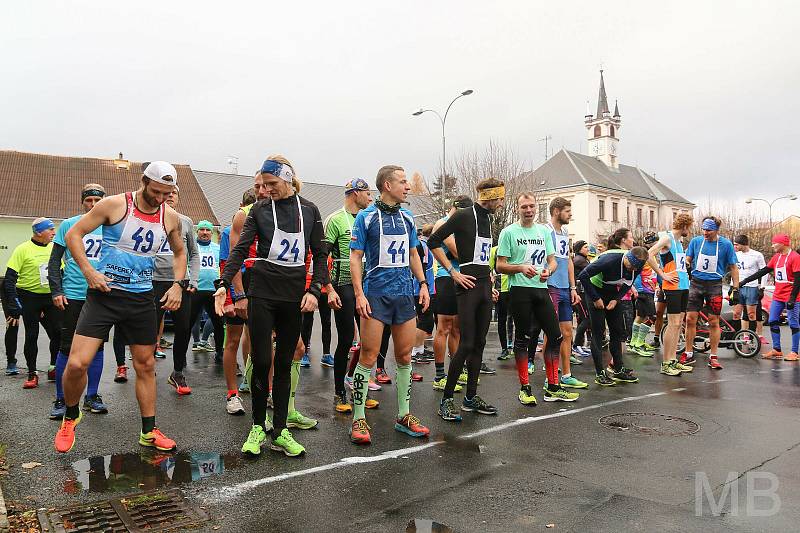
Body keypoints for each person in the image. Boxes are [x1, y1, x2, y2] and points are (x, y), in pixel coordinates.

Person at [55, 161, 186, 453]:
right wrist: (89, 271)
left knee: (146, 364)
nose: (161, 199)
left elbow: (180, 251)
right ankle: (71, 415)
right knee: (78, 363)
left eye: (167, 194)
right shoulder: (114, 205)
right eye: (156, 192)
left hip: (141, 299)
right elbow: (72, 235)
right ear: (143, 182)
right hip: (105, 295)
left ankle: (149, 431)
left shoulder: (170, 216)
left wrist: (178, 283)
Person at [215, 155, 327, 457]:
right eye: (262, 185)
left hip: (293, 296)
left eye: (271, 184)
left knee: (284, 363)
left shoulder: (310, 211)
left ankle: (280, 430)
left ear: (288, 179)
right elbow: (239, 250)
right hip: (262, 293)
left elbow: (320, 254)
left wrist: (314, 290)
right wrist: (224, 284)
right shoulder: (259, 211)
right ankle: (257, 426)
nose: (265, 190)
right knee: (262, 361)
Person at [347, 165, 431, 444]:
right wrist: (359, 294)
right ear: (387, 185)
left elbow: (412, 252)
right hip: (376, 295)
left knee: (405, 356)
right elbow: (356, 258)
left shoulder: (408, 217)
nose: (408, 187)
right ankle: (358, 417)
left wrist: (422, 284)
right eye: (403, 182)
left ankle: (404, 415)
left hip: (404, 294)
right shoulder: (367, 217)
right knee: (369, 357)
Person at [429, 178, 504, 421]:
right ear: (489, 197)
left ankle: (471, 398)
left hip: (484, 285)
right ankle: (447, 399)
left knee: (480, 343)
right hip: (467, 286)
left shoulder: (488, 218)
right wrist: (453, 272)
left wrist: (490, 279)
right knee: (466, 345)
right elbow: (433, 240)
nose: (502, 203)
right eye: (500, 199)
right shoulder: (463, 215)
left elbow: (481, 253)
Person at [496, 193, 579, 405]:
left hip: (541, 288)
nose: (529, 210)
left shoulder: (543, 231)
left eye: (532, 206)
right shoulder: (509, 232)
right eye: (524, 206)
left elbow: (552, 261)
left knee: (556, 336)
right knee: (523, 339)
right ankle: (525, 388)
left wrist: (548, 272)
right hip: (519, 290)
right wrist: (521, 268)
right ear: (518, 208)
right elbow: (500, 265)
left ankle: (552, 386)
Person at [48, 184, 109, 419]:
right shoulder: (68, 225)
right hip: (72, 295)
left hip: (100, 295)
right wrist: (56, 291)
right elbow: (54, 262)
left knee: (98, 347)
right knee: (67, 347)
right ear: (83, 202)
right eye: (89, 201)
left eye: (97, 201)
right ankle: (61, 398)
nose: (93, 205)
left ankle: (92, 396)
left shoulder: (110, 226)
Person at [323, 178, 373, 413]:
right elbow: (321, 256)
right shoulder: (335, 220)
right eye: (367, 193)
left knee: (368, 341)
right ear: (355, 194)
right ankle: (339, 392)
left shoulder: (368, 218)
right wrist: (329, 288)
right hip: (343, 284)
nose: (370, 198)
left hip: (366, 286)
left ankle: (358, 387)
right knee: (345, 340)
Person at [578, 238, 648, 386]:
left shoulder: (637, 266)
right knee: (599, 331)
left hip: (611, 291)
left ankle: (618, 368)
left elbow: (628, 284)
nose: (632, 270)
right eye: (630, 267)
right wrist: (596, 298)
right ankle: (599, 373)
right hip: (594, 288)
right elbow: (583, 276)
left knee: (617, 331)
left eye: (635, 269)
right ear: (627, 258)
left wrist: (616, 299)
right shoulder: (608, 260)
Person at [3, 217, 61, 388]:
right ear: (38, 232)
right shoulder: (23, 249)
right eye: (50, 229)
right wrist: (13, 305)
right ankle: (32, 373)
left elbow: (61, 273)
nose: (53, 232)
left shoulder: (54, 248)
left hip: (50, 297)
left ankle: (53, 366)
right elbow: (9, 279)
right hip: (29, 296)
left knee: (58, 332)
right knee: (31, 335)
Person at [154, 187, 200, 394]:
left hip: (180, 282)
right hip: (153, 282)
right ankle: (145, 368)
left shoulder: (186, 221)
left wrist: (194, 279)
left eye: (174, 193)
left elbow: (194, 254)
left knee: (183, 328)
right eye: (167, 192)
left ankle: (178, 372)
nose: (170, 195)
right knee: (149, 328)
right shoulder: (149, 218)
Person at [683, 216, 739, 370]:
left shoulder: (726, 244)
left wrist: (736, 288)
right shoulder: (696, 241)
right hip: (696, 282)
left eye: (709, 230)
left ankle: (713, 356)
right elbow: (688, 258)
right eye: (704, 229)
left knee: (714, 321)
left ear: (716, 230)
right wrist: (686, 264)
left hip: (714, 285)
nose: (705, 232)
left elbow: (733, 267)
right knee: (690, 319)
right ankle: (688, 353)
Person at [544, 197, 587, 389]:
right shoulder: (545, 231)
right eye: (567, 211)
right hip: (550, 287)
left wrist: (572, 288)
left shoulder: (565, 232)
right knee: (551, 334)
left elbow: (568, 261)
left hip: (564, 288)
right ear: (556, 211)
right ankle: (549, 376)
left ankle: (566, 374)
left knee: (568, 332)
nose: (570, 214)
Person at [220, 188, 256, 414]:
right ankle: (232, 394)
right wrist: (229, 298)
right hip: (236, 287)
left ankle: (254, 383)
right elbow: (226, 263)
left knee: (255, 339)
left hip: (257, 287)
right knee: (232, 340)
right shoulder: (228, 231)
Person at [430, 196, 471, 391]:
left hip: (462, 278)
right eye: (461, 211)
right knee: (444, 327)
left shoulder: (462, 225)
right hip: (446, 277)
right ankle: (439, 375)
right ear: (454, 208)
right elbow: (457, 252)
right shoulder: (442, 223)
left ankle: (457, 369)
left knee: (457, 328)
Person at [648, 213, 695, 376]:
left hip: (683, 285)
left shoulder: (679, 242)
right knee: (673, 323)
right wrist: (662, 274)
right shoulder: (667, 239)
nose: (689, 231)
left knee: (678, 324)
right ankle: (666, 362)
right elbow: (649, 253)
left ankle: (672, 359)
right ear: (684, 226)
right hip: (672, 286)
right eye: (689, 228)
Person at [739, 234, 800, 360]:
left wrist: (793, 298)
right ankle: (777, 349)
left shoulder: (795, 257)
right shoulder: (777, 257)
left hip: (791, 296)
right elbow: (763, 271)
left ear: (783, 244)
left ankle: (794, 352)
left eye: (774, 243)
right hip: (778, 295)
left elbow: (798, 279)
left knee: (793, 323)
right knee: (772, 321)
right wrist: (744, 281)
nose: (772, 245)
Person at [186, 220, 225, 368]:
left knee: (218, 324)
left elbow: (222, 266)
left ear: (211, 233)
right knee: (188, 323)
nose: (205, 232)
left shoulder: (217, 248)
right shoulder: (191, 248)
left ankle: (220, 353)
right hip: (195, 289)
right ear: (197, 232)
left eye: (208, 230)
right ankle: (182, 355)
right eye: (201, 229)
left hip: (213, 291)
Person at [629, 232, 660, 356]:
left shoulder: (651, 254)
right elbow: (635, 271)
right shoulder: (644, 254)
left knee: (641, 315)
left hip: (648, 289)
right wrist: (637, 288)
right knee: (652, 317)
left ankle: (633, 342)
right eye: (657, 242)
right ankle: (639, 343)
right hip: (644, 290)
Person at [733, 234, 767, 342]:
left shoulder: (757, 255)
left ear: (743, 244)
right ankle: (736, 338)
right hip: (738, 287)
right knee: (736, 314)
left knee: (751, 315)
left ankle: (752, 338)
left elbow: (765, 271)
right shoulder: (735, 255)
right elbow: (734, 271)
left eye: (737, 244)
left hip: (751, 287)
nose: (735, 247)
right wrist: (732, 286)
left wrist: (762, 287)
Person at [490, 245, 514, 360]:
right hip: (500, 289)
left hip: (515, 287)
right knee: (502, 320)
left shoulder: (516, 246)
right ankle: (504, 349)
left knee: (520, 319)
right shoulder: (494, 250)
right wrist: (490, 288)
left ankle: (518, 347)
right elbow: (489, 269)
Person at [571, 240, 591, 357]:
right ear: (579, 249)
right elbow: (592, 270)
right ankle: (577, 345)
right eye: (585, 247)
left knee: (582, 319)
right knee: (587, 318)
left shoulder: (582, 259)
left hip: (583, 292)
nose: (587, 249)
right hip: (580, 293)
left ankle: (579, 344)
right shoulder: (579, 260)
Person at [2, 276, 21, 375]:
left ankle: (56, 362)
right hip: (9, 284)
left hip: (31, 287)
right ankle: (11, 362)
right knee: (13, 323)